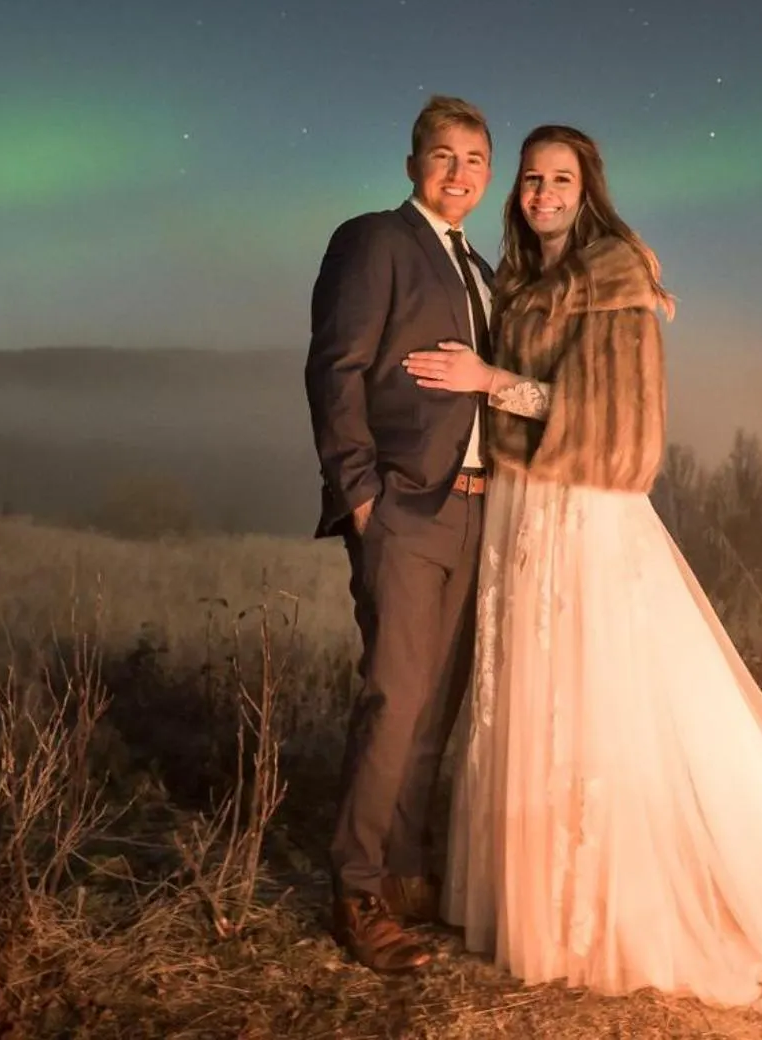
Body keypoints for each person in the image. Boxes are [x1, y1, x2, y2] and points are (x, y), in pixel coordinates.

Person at [402, 124, 762, 1038]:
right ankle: (526, 900)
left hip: (580, 512)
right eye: (533, 180)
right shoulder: (524, 281)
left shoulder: (614, 275)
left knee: (587, 698)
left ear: (589, 190)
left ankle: (592, 914)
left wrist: (486, 381)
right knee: (528, 703)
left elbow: (605, 420)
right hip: (522, 506)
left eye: (562, 180)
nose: (543, 193)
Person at [305, 94, 498, 973]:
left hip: (477, 507)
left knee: (438, 703)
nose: (459, 174)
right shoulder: (374, 240)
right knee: (394, 698)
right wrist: (360, 496)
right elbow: (336, 366)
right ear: (413, 162)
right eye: (443, 157)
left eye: (475, 161)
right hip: (405, 506)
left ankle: (408, 874)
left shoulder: (483, 269)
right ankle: (356, 891)